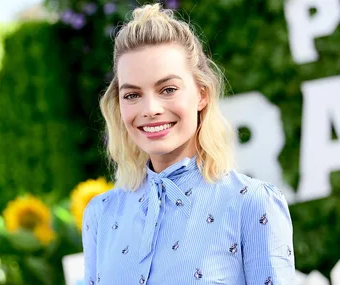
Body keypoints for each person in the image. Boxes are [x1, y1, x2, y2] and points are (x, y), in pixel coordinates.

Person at [82, 3, 295, 285]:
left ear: (201, 95)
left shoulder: (252, 204)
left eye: (168, 89)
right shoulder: (101, 214)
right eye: (132, 95)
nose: (150, 109)